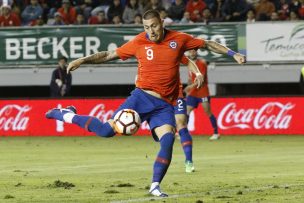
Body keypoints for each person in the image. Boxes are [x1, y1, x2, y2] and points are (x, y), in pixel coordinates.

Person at [45, 10, 246, 197]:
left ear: (162, 23)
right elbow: (108, 55)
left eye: (154, 26)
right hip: (141, 98)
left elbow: (208, 43)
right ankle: (64, 113)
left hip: (164, 105)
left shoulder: (179, 39)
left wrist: (233, 54)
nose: (151, 31)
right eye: (146, 27)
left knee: (167, 140)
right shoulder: (139, 42)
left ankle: (155, 186)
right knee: (106, 131)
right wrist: (82, 60)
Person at [184, 49, 220, 140]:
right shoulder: (189, 64)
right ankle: (183, 133)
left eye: (194, 51)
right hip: (193, 92)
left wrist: (190, 86)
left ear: (196, 53)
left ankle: (216, 133)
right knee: (187, 111)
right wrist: (189, 86)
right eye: (191, 51)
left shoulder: (201, 63)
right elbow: (190, 78)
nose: (192, 53)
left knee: (207, 111)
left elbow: (201, 78)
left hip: (202, 91)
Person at [175, 55, 202, 173]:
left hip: (176, 93)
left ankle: (189, 161)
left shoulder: (173, 48)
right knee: (166, 131)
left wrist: (198, 73)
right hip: (157, 95)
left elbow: (187, 61)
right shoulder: (146, 48)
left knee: (181, 124)